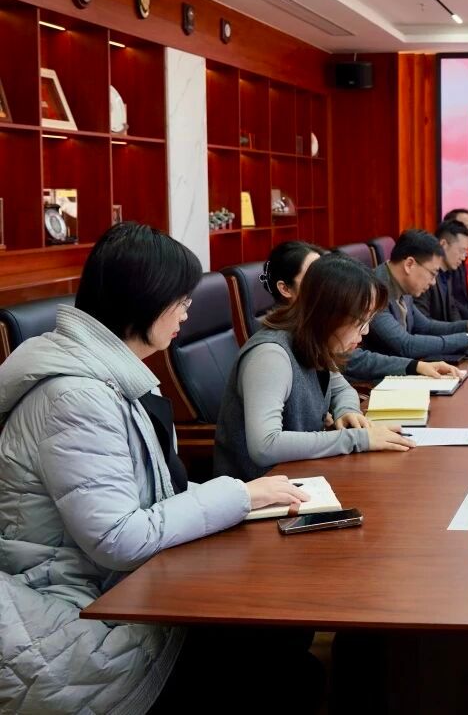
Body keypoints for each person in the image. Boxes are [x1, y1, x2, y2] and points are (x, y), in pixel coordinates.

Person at [0, 222, 317, 714]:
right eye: (181, 300)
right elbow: (118, 539)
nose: (187, 312)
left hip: (122, 584)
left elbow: (151, 495)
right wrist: (239, 495)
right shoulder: (76, 398)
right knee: (284, 665)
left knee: (286, 641)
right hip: (78, 617)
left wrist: (247, 497)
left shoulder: (110, 375)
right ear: (144, 300)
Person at [214, 253, 417, 481]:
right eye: (360, 321)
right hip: (259, 490)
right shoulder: (270, 355)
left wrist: (347, 411)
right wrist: (359, 439)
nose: (366, 331)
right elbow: (265, 446)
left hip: (300, 477)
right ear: (328, 314)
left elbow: (342, 389)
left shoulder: (313, 341)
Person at [261, 240, 462, 384]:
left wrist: (344, 409)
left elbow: (339, 386)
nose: (324, 280)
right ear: (285, 289)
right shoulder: (274, 351)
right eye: (313, 275)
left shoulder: (320, 329)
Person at [364, 229, 468, 362]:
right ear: (409, 264)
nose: (433, 282)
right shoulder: (374, 291)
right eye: (432, 274)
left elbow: (426, 327)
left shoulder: (402, 284)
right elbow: (406, 345)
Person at [419, 219, 468, 323]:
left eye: (466, 252)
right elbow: (423, 324)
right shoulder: (425, 276)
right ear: (443, 244)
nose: (463, 257)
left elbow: (452, 310)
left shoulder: (447, 274)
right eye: (461, 251)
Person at [442, 207, 468, 318]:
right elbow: (452, 302)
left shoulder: (461, 259)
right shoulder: (445, 264)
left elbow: (465, 299)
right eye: (466, 229)